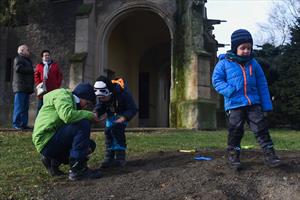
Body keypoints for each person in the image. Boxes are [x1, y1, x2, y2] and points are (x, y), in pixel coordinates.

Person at [212, 29, 281, 169]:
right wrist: (229, 91)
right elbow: (216, 80)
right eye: (242, 48)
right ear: (234, 47)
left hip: (253, 103)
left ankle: (270, 155)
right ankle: (233, 155)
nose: (246, 51)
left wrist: (266, 105)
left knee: (261, 128)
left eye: (248, 48)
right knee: (235, 130)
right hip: (234, 104)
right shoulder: (224, 63)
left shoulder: (254, 64)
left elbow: (262, 84)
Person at [32, 83, 102, 180]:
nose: (86, 106)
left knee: (89, 145)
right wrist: (89, 115)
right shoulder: (63, 95)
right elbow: (67, 116)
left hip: (50, 139)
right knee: (83, 124)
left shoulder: (70, 101)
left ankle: (52, 161)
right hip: (47, 139)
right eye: (87, 103)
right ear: (82, 97)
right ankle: (78, 170)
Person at [94, 76, 138, 168]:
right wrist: (96, 112)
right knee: (108, 132)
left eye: (103, 97)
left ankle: (120, 157)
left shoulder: (123, 93)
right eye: (99, 98)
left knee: (117, 130)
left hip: (123, 115)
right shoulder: (102, 97)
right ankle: (109, 157)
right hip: (112, 114)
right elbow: (100, 105)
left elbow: (133, 109)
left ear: (109, 92)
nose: (101, 99)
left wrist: (123, 118)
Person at [12, 44, 34, 130]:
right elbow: (18, 69)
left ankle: (23, 124)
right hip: (20, 87)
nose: (29, 51)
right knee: (19, 107)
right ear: (21, 51)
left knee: (25, 107)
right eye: (27, 50)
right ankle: (16, 124)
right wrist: (32, 70)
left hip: (26, 88)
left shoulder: (27, 60)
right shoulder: (18, 58)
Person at [34, 50, 62, 114]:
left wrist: (57, 85)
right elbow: (36, 75)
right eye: (45, 55)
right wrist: (39, 84)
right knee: (40, 106)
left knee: (51, 106)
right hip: (42, 89)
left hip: (53, 89)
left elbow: (59, 75)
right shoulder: (39, 65)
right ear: (42, 57)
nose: (46, 56)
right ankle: (37, 122)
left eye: (48, 55)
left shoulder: (55, 65)